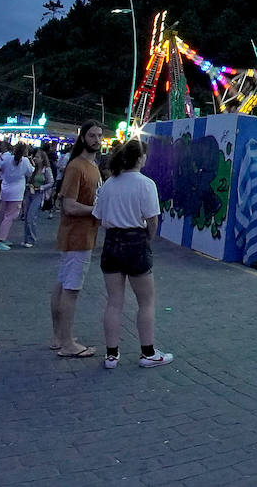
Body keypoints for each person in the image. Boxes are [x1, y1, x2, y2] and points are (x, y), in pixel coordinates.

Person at [94, 139, 173, 369]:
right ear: (140, 158)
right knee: (146, 301)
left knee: (114, 302)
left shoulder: (110, 183)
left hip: (112, 242)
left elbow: (98, 217)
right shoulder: (146, 184)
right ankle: (147, 352)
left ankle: (111, 354)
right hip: (135, 242)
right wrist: (148, 239)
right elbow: (152, 219)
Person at [50, 121, 104, 359]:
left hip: (83, 234)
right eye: (92, 136)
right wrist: (96, 211)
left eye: (99, 136)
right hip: (77, 236)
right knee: (71, 289)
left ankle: (59, 337)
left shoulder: (93, 166)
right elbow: (69, 205)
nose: (97, 140)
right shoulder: (77, 167)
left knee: (63, 286)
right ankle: (67, 343)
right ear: (83, 138)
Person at [0, 143, 33, 250]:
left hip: (5, 189)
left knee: (2, 215)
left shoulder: (7, 159)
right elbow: (30, 172)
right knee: (10, 216)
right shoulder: (25, 161)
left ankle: (1, 237)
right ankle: (0, 239)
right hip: (17, 192)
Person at [24, 149, 54, 247]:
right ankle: (26, 238)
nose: (35, 158)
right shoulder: (34, 169)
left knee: (31, 217)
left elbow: (51, 182)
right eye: (34, 157)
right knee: (27, 215)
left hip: (39, 194)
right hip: (30, 193)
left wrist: (41, 188)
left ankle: (31, 239)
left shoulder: (47, 170)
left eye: (37, 157)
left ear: (42, 159)